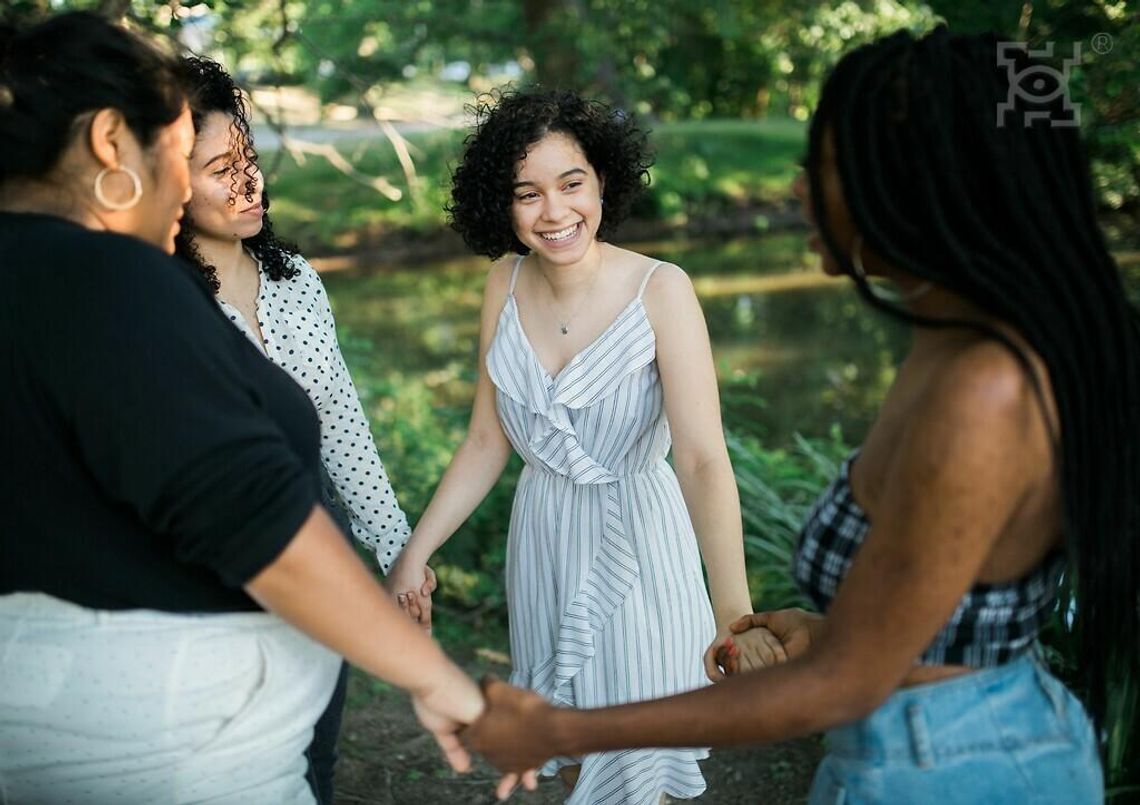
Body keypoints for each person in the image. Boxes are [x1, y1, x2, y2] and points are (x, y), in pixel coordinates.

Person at [465, 27, 1139, 805]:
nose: (796, 192)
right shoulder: (949, 345)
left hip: (962, 767)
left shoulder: (987, 389)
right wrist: (815, 631)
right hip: (908, 749)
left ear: (915, 187)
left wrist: (564, 731)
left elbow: (838, 687)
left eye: (824, 171)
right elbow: (923, 631)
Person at [0, 13, 482, 803]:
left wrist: (396, 550)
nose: (190, 183)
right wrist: (438, 680)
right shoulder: (111, 281)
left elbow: (337, 432)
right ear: (111, 142)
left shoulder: (51, 275)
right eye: (182, 154)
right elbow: (252, 515)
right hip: (178, 751)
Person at [386, 87, 777, 805]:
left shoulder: (662, 289)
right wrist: (418, 549)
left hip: (641, 543)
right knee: (564, 757)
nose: (555, 212)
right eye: (527, 194)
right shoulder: (502, 281)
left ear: (603, 180)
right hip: (543, 540)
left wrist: (734, 612)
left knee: (640, 763)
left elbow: (701, 458)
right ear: (500, 204)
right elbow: (484, 438)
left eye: (572, 184)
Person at [173, 55, 430, 804]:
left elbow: (342, 425)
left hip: (321, 543)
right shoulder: (160, 299)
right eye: (220, 168)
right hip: (214, 559)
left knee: (313, 750)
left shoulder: (296, 279)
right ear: (166, 180)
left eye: (249, 158)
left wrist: (395, 545)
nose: (247, 182)